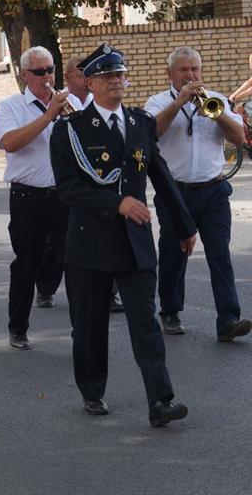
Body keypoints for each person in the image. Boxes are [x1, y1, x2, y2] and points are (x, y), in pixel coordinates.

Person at [50, 43, 196, 426]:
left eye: (120, 74)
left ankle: (160, 401)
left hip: (135, 240)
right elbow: (67, 189)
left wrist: (184, 225)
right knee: (91, 324)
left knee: (145, 322)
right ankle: (93, 390)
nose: (116, 81)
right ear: (90, 83)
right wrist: (115, 204)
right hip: (91, 242)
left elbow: (160, 176)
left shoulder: (140, 123)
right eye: (107, 76)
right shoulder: (70, 130)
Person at [144, 46, 251, 341]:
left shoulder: (215, 100)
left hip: (214, 190)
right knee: (173, 253)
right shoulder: (156, 102)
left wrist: (217, 115)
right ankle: (170, 310)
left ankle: (228, 320)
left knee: (219, 253)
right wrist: (179, 103)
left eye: (195, 70)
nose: (191, 75)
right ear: (170, 74)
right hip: (174, 193)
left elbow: (239, 138)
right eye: (184, 70)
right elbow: (152, 132)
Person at [0, 46, 78, 350]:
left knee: (74, 261)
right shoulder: (10, 106)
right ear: (25, 75)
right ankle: (18, 328)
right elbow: (11, 143)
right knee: (25, 264)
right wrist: (48, 115)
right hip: (27, 197)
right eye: (40, 72)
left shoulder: (71, 105)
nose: (47, 77)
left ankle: (81, 330)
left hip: (64, 196)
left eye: (51, 70)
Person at [64, 56, 122, 312]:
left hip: (119, 205)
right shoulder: (67, 115)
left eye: (119, 75)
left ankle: (112, 293)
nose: (115, 81)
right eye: (79, 74)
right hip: (83, 199)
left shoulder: (133, 120)